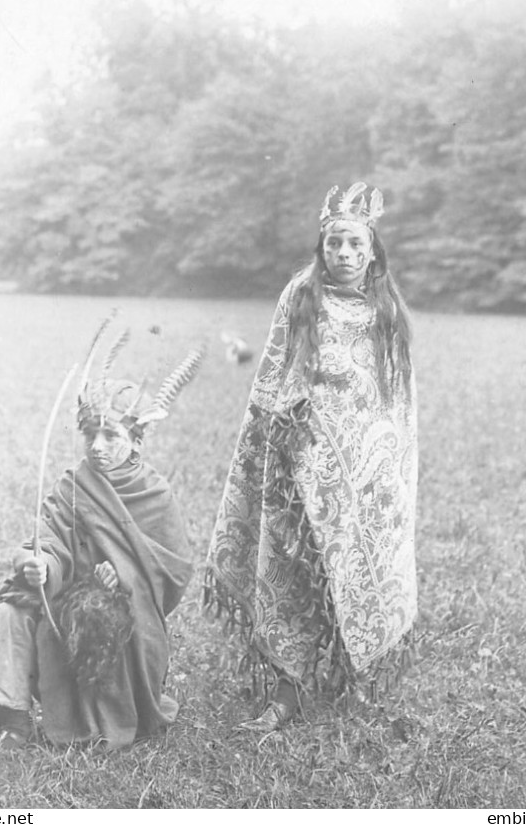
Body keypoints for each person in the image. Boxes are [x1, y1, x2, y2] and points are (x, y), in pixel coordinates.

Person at [204, 181, 418, 730]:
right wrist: (282, 435)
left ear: (372, 250)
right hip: (300, 464)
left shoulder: (387, 309)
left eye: (354, 245)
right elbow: (273, 375)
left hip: (364, 475)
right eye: (334, 245)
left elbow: (394, 401)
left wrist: (384, 467)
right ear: (321, 248)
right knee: (295, 571)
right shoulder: (301, 296)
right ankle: (287, 688)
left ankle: (353, 680)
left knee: (353, 570)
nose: (344, 255)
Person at [0, 329, 202, 767]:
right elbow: (48, 539)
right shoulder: (73, 484)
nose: (97, 447)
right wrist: (40, 563)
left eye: (111, 436)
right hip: (65, 593)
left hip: (128, 612)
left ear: (136, 439)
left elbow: (173, 572)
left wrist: (122, 578)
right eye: (91, 436)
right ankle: (14, 723)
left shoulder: (155, 494)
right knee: (13, 609)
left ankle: (101, 720)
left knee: (96, 612)